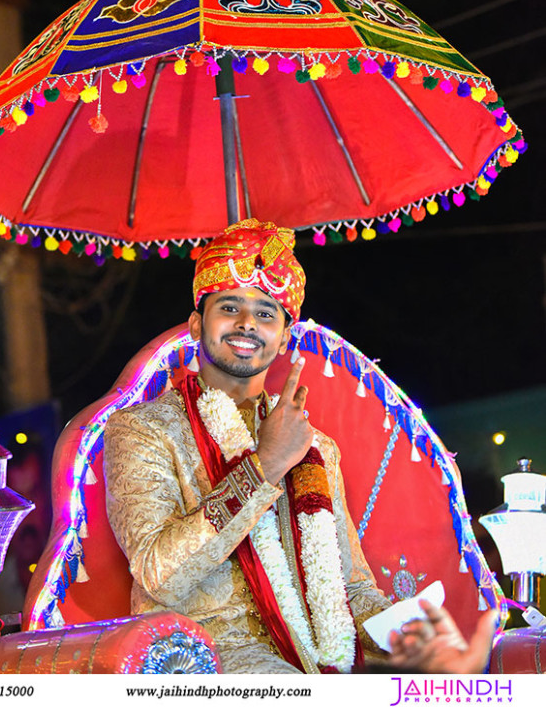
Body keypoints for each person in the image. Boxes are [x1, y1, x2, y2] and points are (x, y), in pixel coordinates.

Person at [103, 218, 496, 674]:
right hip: (203, 660)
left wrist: (403, 635)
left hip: (313, 663)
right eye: (229, 307)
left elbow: (350, 591)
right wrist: (264, 466)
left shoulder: (316, 448)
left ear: (284, 337)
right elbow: (160, 575)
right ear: (195, 325)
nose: (248, 323)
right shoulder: (143, 429)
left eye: (267, 313)